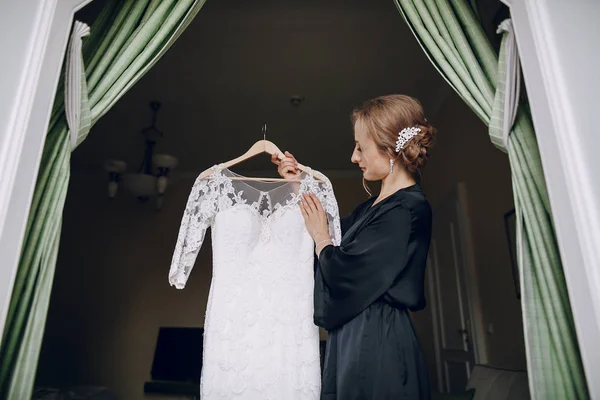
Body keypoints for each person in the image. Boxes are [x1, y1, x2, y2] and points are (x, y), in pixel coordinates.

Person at [272, 94, 435, 399]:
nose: (354, 157)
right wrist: (296, 184)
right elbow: (329, 237)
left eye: (361, 147)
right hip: (353, 336)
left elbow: (344, 269)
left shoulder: (408, 210)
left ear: (389, 148)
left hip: (378, 340)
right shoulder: (372, 208)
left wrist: (323, 240)